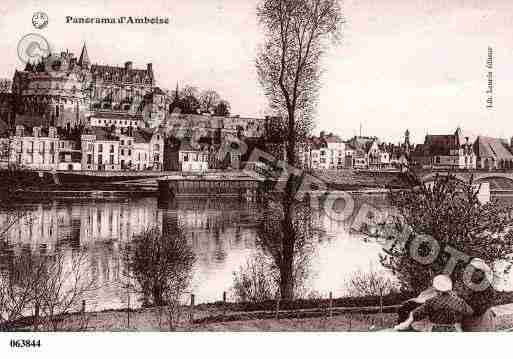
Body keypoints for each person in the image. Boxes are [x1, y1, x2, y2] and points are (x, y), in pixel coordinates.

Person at [394, 275, 474, 332]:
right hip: (453, 330)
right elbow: (470, 312)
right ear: (450, 288)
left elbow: (415, 314)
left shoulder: (431, 302)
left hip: (436, 329)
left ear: (436, 288)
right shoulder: (459, 301)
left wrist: (406, 323)